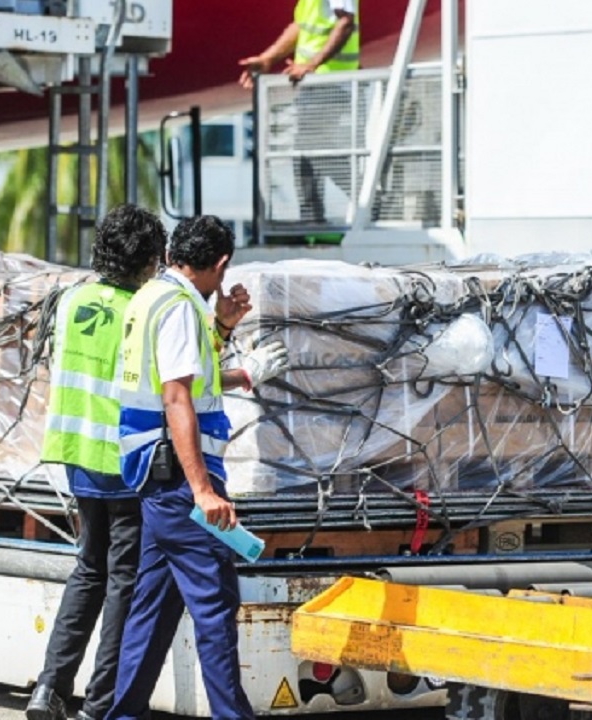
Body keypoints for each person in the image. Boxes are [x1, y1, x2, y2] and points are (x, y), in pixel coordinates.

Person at [105, 216, 289, 720]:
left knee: (154, 607)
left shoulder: (151, 297)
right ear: (221, 263)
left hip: (153, 475)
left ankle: (122, 715)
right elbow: (178, 397)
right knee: (214, 603)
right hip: (179, 478)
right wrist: (203, 490)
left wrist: (225, 326)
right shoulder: (181, 308)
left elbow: (193, 376)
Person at [28, 204, 167, 720]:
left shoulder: (71, 299)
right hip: (125, 461)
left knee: (88, 567)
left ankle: (49, 689)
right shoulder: (144, 309)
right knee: (122, 580)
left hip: (76, 454)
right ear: (149, 260)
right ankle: (101, 702)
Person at [238, 0, 359, 225]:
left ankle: (368, 196)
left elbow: (346, 23)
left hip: (329, 81)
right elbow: (300, 25)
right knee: (307, 151)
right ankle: (312, 218)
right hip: (314, 82)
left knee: (311, 147)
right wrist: (268, 58)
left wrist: (311, 65)